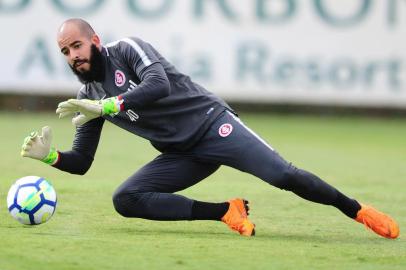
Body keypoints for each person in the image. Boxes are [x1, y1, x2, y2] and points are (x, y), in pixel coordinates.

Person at [21, 18, 399, 239]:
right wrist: (50, 156)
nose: (73, 56)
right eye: (65, 52)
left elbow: (158, 85)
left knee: (283, 175)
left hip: (213, 125)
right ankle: (225, 211)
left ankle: (357, 210)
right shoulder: (86, 95)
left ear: (95, 41)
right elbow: (83, 161)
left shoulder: (126, 50)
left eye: (77, 46)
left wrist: (108, 105)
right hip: (182, 154)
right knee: (126, 199)